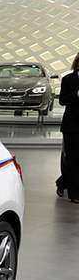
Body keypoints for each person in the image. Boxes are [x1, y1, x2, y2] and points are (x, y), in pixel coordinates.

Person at [57, 53, 79, 202]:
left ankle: (62, 182)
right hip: (72, 126)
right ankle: (74, 194)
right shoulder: (68, 79)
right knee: (72, 159)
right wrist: (76, 95)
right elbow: (62, 100)